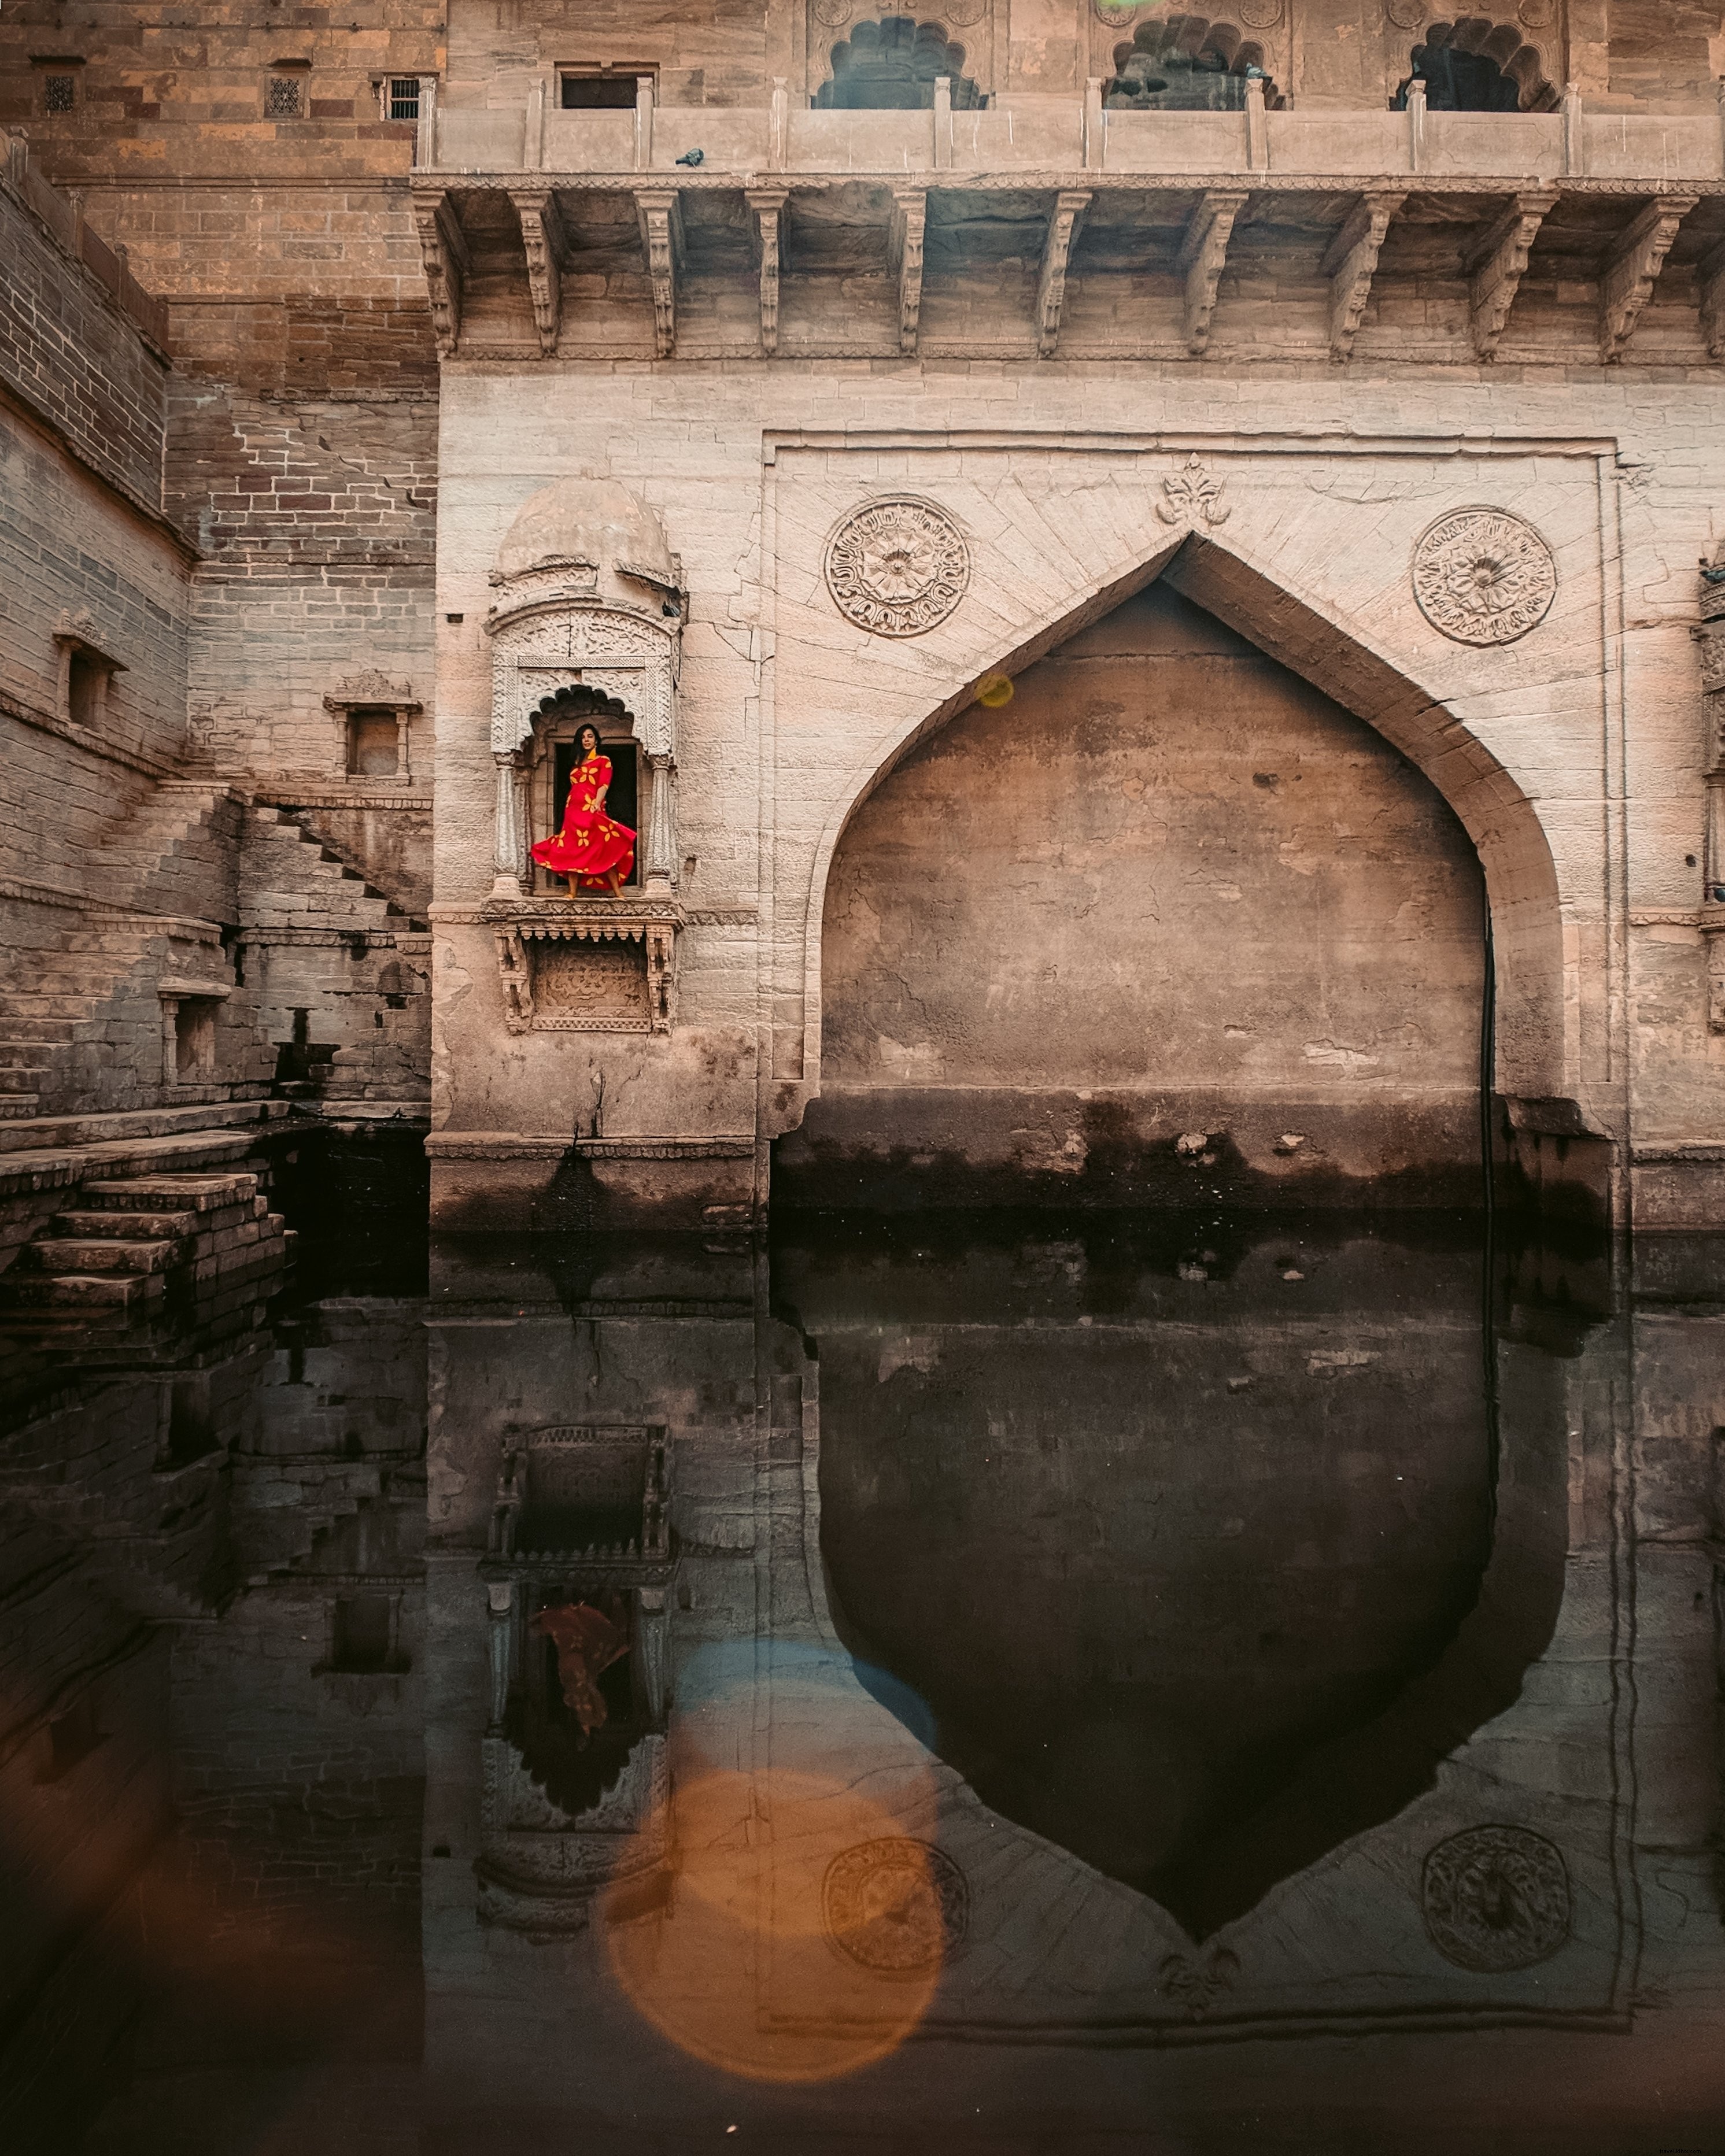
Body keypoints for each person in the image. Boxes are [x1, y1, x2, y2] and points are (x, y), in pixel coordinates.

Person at [530, 720, 636, 896]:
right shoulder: (577, 764)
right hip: (573, 811)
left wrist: (596, 803)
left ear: (596, 740)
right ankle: (572, 892)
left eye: (590, 736)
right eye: (583, 737)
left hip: (592, 808)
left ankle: (618, 893)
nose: (586, 740)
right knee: (573, 847)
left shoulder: (603, 761)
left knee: (603, 846)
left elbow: (603, 784)